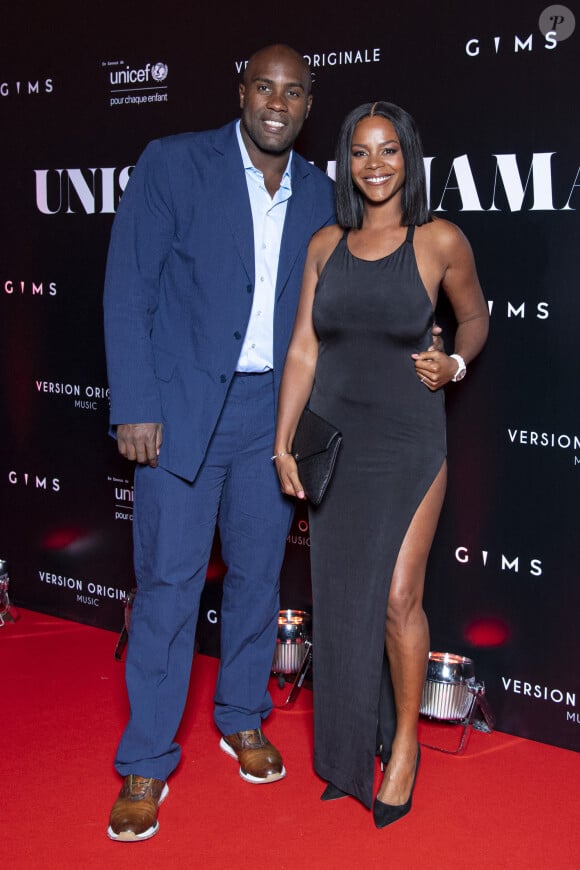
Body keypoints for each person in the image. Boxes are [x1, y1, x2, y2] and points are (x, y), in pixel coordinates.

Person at [102, 44, 336, 842]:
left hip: (272, 415)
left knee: (258, 580)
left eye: (294, 92)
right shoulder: (172, 163)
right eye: (264, 87)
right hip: (180, 410)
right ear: (242, 91)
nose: (278, 102)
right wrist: (135, 403)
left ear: (309, 105)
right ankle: (145, 759)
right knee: (168, 585)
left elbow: (335, 307)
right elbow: (128, 286)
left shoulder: (321, 191)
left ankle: (241, 715)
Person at [273, 101, 489, 828]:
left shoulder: (439, 240)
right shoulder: (324, 244)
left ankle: (404, 746)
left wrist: (455, 362)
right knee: (338, 600)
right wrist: (282, 441)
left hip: (408, 438)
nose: (375, 165)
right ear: (346, 162)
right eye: (360, 152)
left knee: (399, 598)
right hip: (332, 436)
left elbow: (477, 316)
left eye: (388, 150)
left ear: (409, 157)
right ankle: (345, 750)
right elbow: (305, 348)